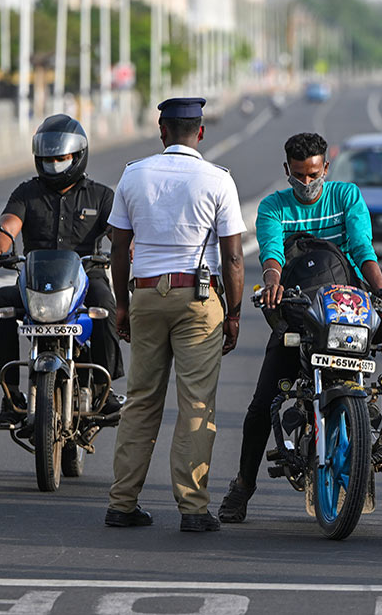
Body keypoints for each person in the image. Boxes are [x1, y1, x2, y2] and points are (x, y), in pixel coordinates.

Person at [216, 132, 382, 524]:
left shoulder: (346, 196)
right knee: (262, 404)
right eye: (298, 176)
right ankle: (242, 486)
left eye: (313, 174)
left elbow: (363, 249)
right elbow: (271, 254)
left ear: (326, 168)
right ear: (286, 171)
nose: (306, 183)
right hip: (300, 311)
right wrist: (273, 284)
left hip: (351, 308)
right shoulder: (274, 207)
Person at [104, 97, 246, 532]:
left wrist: (122, 305)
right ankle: (193, 509)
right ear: (200, 132)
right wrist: (234, 314)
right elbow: (233, 257)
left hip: (146, 295)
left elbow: (118, 247)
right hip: (197, 300)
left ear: (161, 130)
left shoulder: (133, 174)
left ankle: (122, 503)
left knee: (141, 400)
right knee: (196, 404)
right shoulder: (218, 180)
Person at [0, 114, 124, 428]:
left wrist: (129, 249)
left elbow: (118, 234)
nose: (54, 165)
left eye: (61, 159)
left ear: (78, 156)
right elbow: (7, 228)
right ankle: (11, 394)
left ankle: (105, 387)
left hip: (85, 278)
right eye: (48, 159)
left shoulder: (101, 196)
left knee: (105, 301)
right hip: (37, 282)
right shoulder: (26, 194)